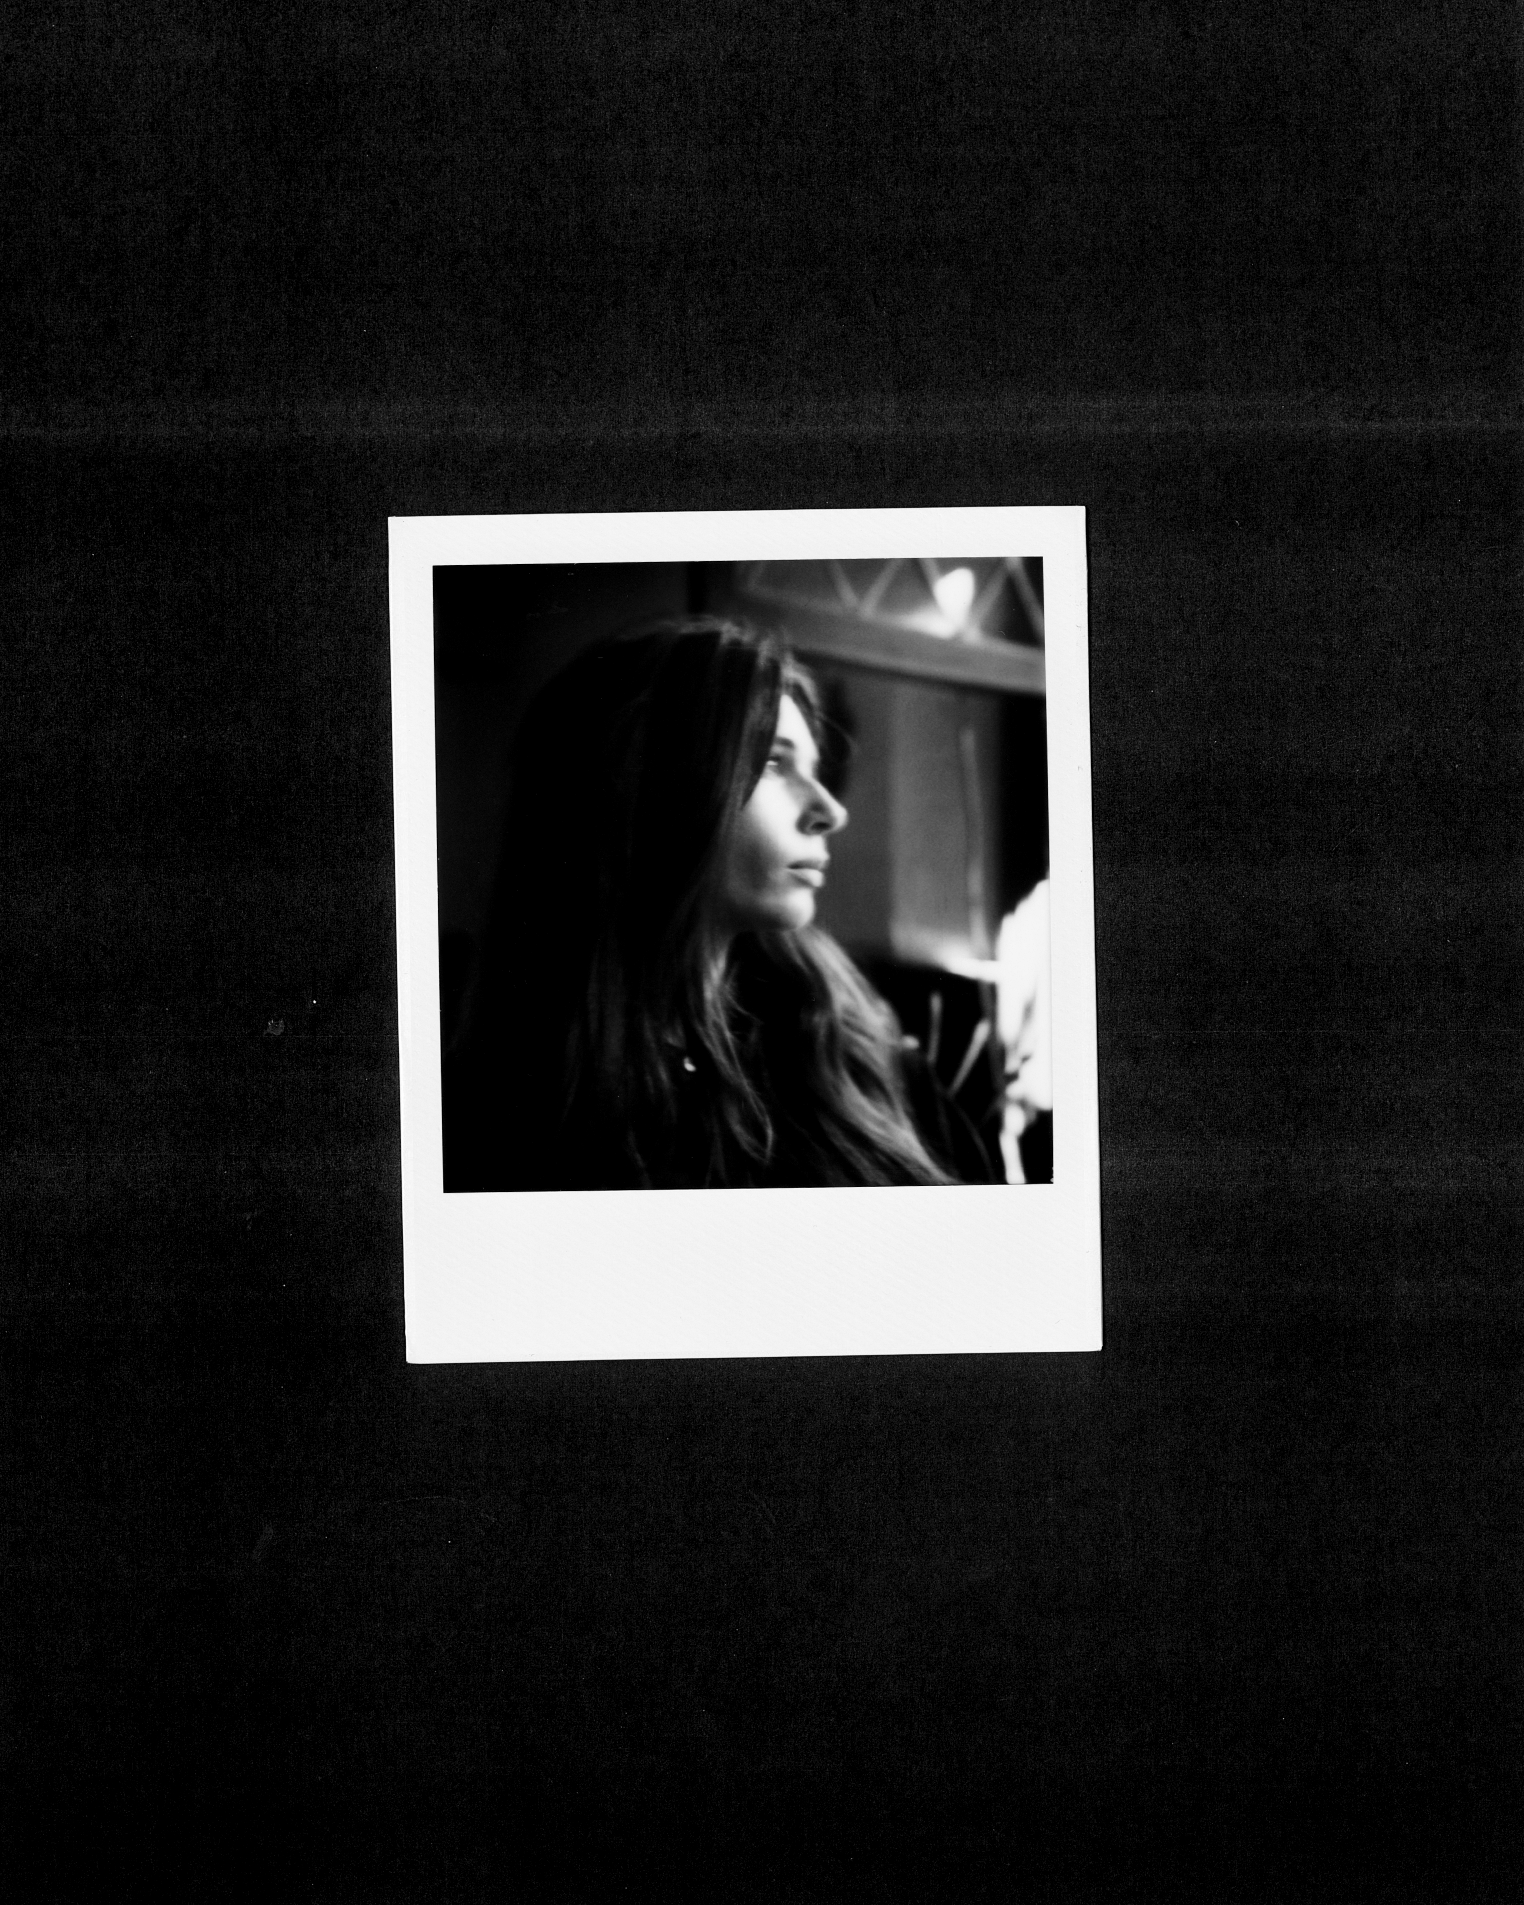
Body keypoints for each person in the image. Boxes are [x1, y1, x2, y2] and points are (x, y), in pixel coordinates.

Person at [443, 616, 992, 1190]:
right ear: (646, 785)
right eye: (775, 762)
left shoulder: (856, 1046)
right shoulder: (496, 1118)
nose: (831, 811)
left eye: (814, 770)